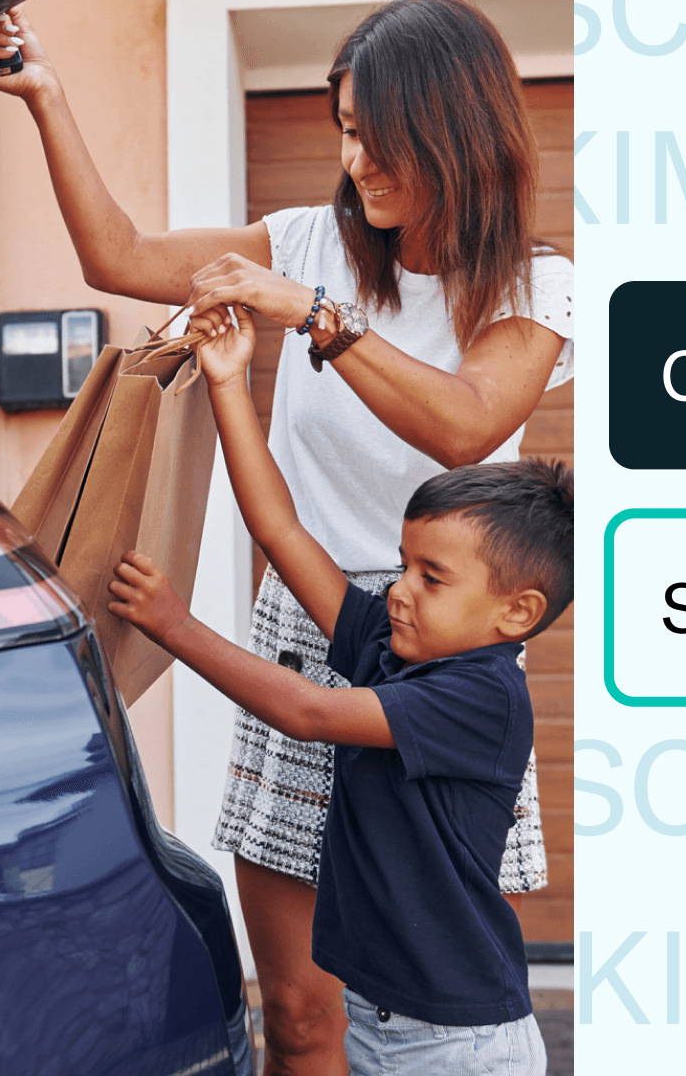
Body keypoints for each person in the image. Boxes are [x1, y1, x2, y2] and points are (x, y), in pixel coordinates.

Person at [0, 0, 572, 1075]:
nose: (356, 160)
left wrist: (310, 315)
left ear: (452, 125)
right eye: (343, 129)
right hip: (303, 610)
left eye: (378, 134)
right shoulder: (306, 241)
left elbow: (465, 423)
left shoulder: (537, 286)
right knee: (297, 1015)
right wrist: (45, 98)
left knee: (424, 987)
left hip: (445, 649)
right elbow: (120, 256)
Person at [104, 316, 572, 1072]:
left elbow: (309, 712)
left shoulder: (483, 697)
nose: (400, 589)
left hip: (457, 1046)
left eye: (432, 577)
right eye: (403, 563)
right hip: (380, 1024)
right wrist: (229, 381)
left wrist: (174, 626)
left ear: (516, 611)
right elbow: (282, 532)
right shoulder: (391, 648)